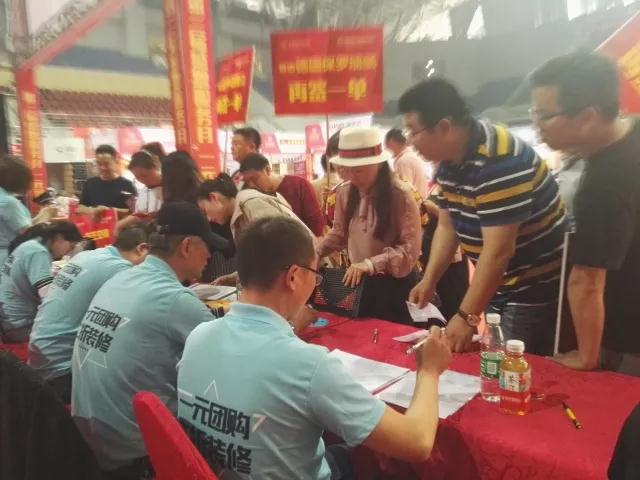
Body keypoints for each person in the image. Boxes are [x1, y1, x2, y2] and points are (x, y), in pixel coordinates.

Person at [177, 217, 452, 480]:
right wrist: (429, 371)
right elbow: (417, 443)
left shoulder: (198, 336)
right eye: (315, 274)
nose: (315, 283)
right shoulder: (308, 365)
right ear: (294, 277)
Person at [400, 78, 566, 356]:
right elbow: (447, 226)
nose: (410, 141)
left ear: (444, 127)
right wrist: (429, 280)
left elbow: (499, 251)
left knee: (513, 366)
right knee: (493, 361)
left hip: (530, 288)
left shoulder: (500, 161)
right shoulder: (450, 162)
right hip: (499, 283)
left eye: (413, 131)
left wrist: (467, 316)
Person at [71, 201, 222, 475]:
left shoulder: (120, 279)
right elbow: (228, 361)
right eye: (207, 246)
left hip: (89, 443)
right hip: (137, 456)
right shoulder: (174, 299)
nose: (210, 255)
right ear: (187, 246)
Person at [530, 52, 640, 375]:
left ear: (588, 116)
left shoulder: (604, 183)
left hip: (629, 339)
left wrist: (586, 356)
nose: (537, 126)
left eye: (545, 116)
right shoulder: (633, 127)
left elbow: (587, 280)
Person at [28, 224, 152, 403]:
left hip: (40, 355)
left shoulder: (87, 256)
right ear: (141, 249)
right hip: (62, 371)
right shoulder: (120, 268)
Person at [316, 127, 422, 323]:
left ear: (378, 165)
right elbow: (339, 233)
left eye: (359, 170)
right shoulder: (344, 193)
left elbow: (409, 250)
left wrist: (371, 264)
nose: (352, 176)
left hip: (394, 285)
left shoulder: (400, 196)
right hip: (359, 284)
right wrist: (316, 253)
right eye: (347, 170)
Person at [197, 173, 312, 286]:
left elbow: (278, 254)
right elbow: (261, 260)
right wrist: (236, 277)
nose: (208, 219)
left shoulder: (251, 205)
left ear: (213, 198)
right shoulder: (238, 217)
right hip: (295, 275)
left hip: (301, 275)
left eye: (204, 211)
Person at [0, 221, 83, 343]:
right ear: (59, 238)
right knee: (76, 334)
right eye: (71, 247)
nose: (68, 253)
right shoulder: (38, 252)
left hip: (9, 319)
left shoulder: (30, 245)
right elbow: (48, 296)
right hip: (20, 326)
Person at [240, 153, 325, 236]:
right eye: (247, 182)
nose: (252, 185)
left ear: (267, 170)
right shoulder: (254, 197)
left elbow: (317, 227)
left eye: (254, 179)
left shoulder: (299, 185)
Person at [0, 156, 56, 266]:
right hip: (8, 257)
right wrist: (46, 217)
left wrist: (42, 214)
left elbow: (21, 226)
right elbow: (30, 234)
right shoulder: (9, 202)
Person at [78, 145, 136, 217]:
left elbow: (134, 211)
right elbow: (80, 208)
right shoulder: (90, 183)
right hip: (96, 224)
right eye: (99, 164)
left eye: (106, 164)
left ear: (115, 161)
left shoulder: (127, 185)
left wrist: (110, 210)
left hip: (119, 224)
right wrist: (93, 210)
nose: (103, 168)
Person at [385, 128, 432, 198]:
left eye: (386, 144)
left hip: (415, 203)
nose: (386, 148)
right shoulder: (411, 156)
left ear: (391, 142)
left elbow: (405, 193)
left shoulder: (403, 161)